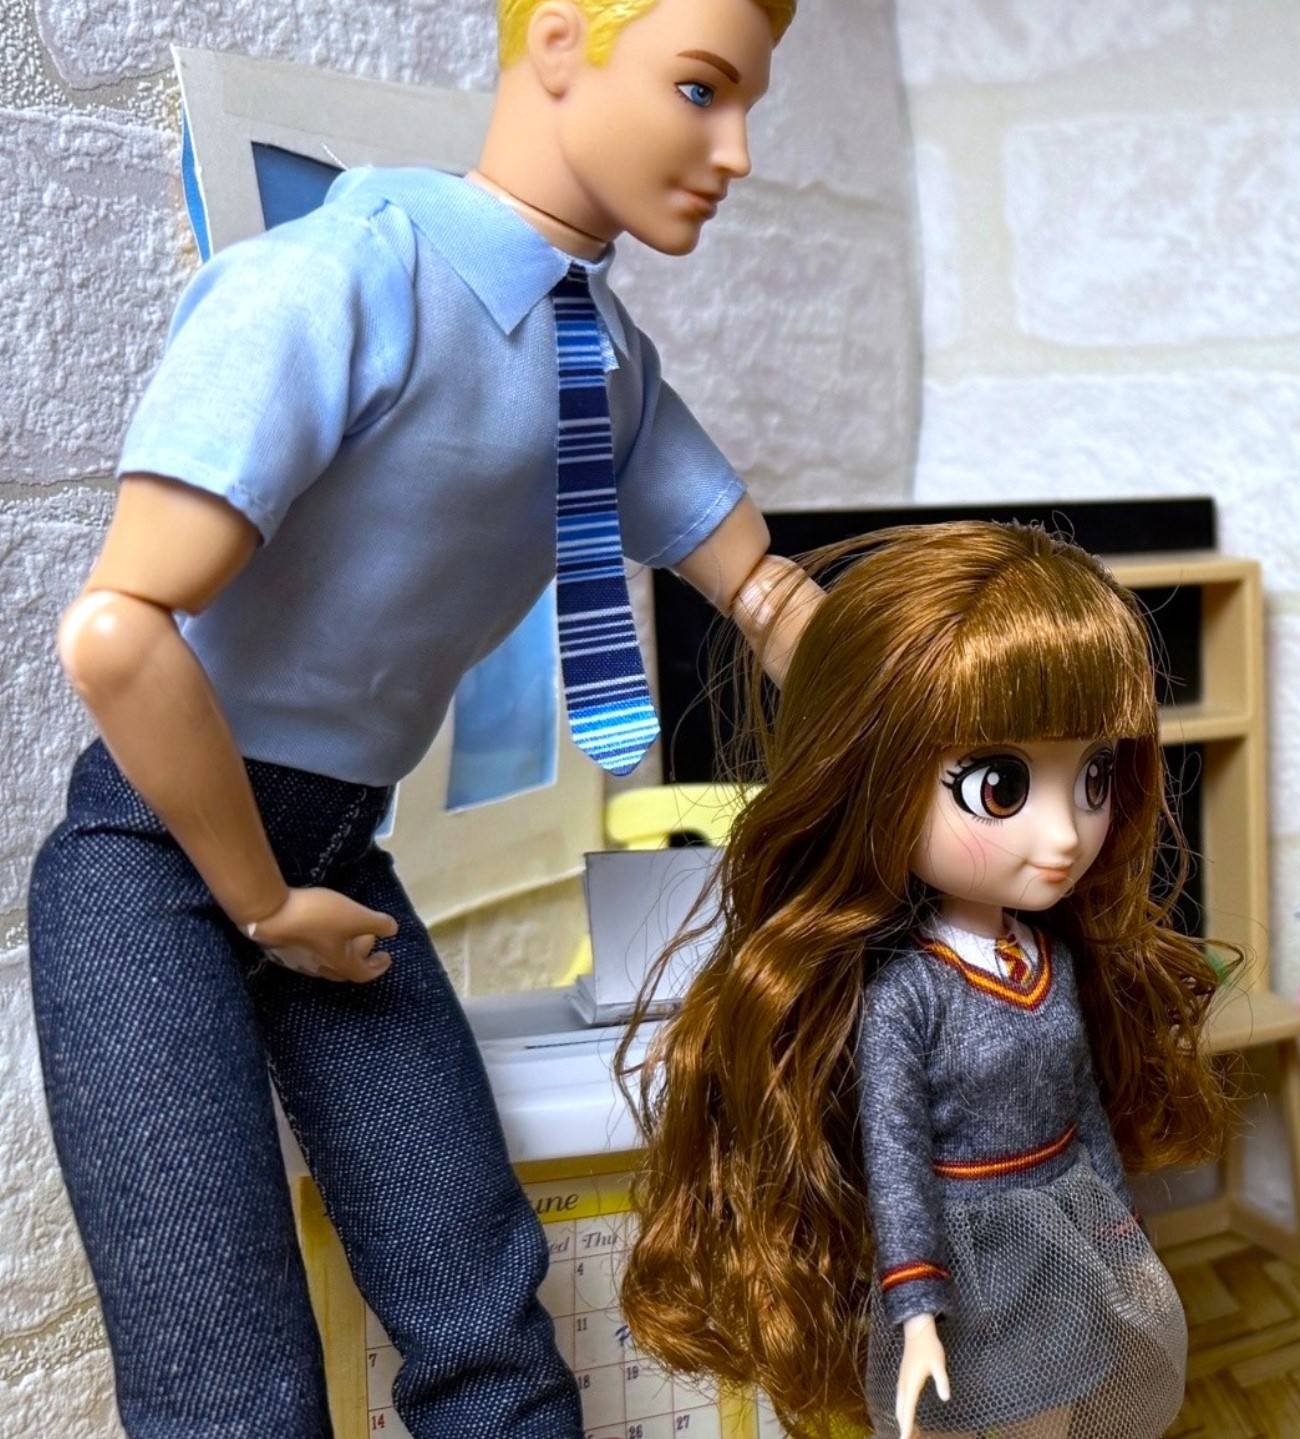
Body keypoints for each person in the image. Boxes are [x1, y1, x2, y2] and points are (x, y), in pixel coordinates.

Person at [26, 3, 821, 1434]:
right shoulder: (337, 279)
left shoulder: (602, 357)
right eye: (703, 90)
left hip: (338, 860)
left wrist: (930, 695)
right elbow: (115, 630)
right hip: (158, 860)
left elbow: (759, 586)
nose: (738, 153)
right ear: (562, 44)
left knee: (487, 1320)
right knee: (228, 1387)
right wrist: (262, 900)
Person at [619, 522, 1235, 1439]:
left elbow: (1081, 1104)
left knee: (1056, 1419)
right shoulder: (909, 994)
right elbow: (898, 1156)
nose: (1065, 834)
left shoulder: (1053, 960)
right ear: (876, 778)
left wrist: (1118, 1232)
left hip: (1065, 1249)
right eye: (1001, 786)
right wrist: (914, 1308)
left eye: (1094, 775)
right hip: (964, 1261)